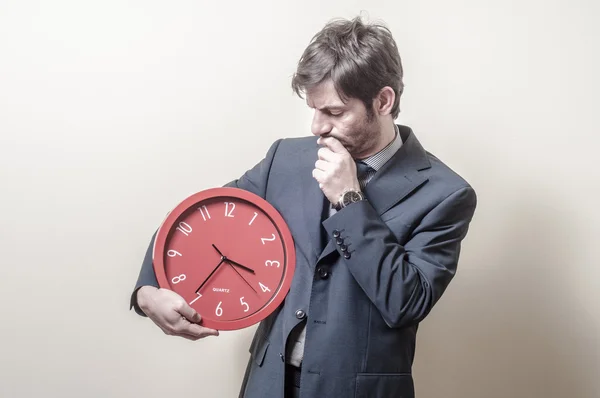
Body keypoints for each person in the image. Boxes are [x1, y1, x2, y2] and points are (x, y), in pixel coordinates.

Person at [130, 16, 477, 398]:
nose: (316, 127)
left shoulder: (446, 194)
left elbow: (405, 302)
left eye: (333, 112)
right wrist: (148, 290)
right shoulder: (286, 158)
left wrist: (349, 200)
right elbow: (200, 219)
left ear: (383, 101)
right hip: (270, 383)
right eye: (313, 109)